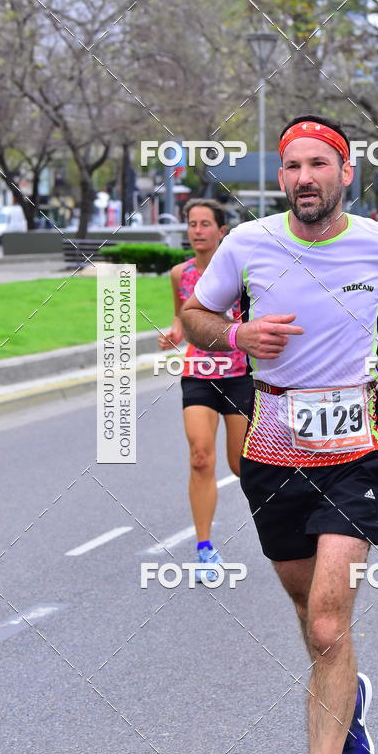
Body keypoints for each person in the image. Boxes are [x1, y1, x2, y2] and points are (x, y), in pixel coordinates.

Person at [181, 117, 378, 754]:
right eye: (292, 166)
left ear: (345, 173)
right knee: (308, 610)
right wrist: (237, 332)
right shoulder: (247, 243)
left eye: (317, 164)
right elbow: (196, 313)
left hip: (356, 447)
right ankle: (347, 695)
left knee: (327, 623)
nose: (303, 178)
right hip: (271, 448)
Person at [158, 198, 253, 581]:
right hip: (198, 372)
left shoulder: (239, 273)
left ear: (221, 231)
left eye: (204, 224)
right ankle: (204, 549)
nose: (197, 231)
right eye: (192, 224)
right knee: (200, 456)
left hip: (238, 373)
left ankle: (287, 519)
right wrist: (175, 332)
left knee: (240, 464)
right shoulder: (179, 273)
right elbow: (182, 317)